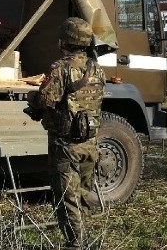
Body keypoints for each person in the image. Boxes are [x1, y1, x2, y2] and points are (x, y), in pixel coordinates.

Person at [23, 17, 106, 250]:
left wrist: (32, 99)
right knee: (83, 192)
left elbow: (46, 99)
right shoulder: (96, 68)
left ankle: (75, 243)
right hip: (91, 141)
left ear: (65, 41)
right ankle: (84, 235)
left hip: (65, 143)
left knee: (65, 197)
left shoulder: (62, 68)